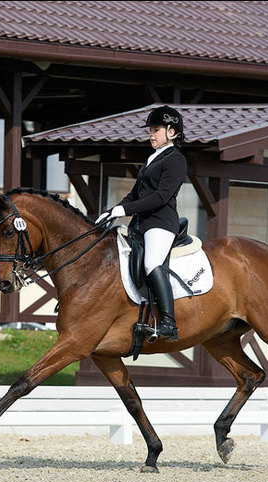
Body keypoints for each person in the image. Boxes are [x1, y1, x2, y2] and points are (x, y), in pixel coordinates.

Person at [95, 105, 187, 341]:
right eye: (151, 130)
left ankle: (168, 323)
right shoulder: (152, 158)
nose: (151, 134)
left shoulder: (176, 160)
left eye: (156, 130)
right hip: (141, 223)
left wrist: (124, 209)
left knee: (152, 263)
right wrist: (112, 212)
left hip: (161, 223)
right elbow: (136, 194)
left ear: (172, 132)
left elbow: (160, 197)